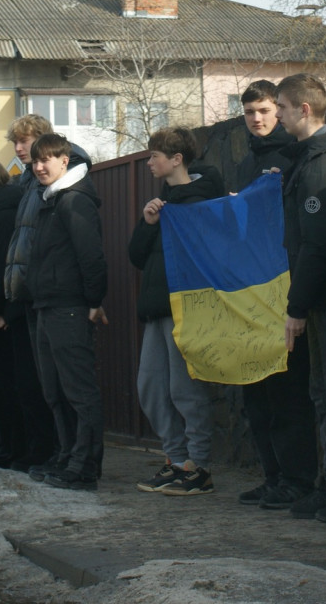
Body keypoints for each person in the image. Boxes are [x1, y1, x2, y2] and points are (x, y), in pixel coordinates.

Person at [268, 73, 326, 519]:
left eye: (280, 106)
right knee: (322, 392)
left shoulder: (324, 164)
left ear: (304, 109)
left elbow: (318, 246)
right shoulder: (310, 159)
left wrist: (296, 306)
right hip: (322, 299)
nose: (276, 114)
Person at [128, 127, 225, 496]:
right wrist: (147, 223)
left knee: (185, 389)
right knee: (151, 386)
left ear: (176, 159)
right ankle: (176, 460)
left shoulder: (200, 201)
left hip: (187, 306)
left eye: (155, 156)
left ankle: (198, 466)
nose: (149, 162)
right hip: (157, 306)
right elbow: (137, 256)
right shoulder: (164, 202)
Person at [234, 80, 317, 509]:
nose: (259, 119)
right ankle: (274, 476)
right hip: (252, 293)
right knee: (258, 395)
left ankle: (298, 479)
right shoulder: (246, 162)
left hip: (284, 290)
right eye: (250, 112)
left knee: (288, 394)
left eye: (266, 110)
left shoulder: (293, 157)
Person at [26, 132, 108, 491]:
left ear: (65, 161)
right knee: (54, 390)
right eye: (35, 161)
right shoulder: (52, 200)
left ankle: (84, 466)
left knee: (78, 390)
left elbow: (92, 256)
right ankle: (66, 456)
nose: (40, 167)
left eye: (47, 160)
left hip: (70, 307)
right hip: (47, 305)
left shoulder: (74, 200)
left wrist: (93, 301)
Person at [0, 158, 54, 472]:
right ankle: (15, 448)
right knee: (12, 385)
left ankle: (19, 449)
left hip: (6, 312)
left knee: (11, 385)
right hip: (7, 309)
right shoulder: (2, 207)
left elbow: (0, 268)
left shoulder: (0, 212)